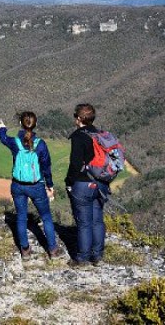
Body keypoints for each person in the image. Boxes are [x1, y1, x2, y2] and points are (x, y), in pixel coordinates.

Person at [0, 111, 64, 260]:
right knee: (46, 217)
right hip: (36, 186)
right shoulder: (40, 145)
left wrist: (2, 127)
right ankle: (52, 250)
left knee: (21, 217)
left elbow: (3, 138)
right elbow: (46, 167)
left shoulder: (15, 142)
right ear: (35, 124)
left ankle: (25, 251)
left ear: (21, 124)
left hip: (18, 185)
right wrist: (50, 185)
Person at [65, 103, 110, 267]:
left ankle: (82, 258)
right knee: (97, 220)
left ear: (78, 118)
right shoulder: (100, 134)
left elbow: (75, 164)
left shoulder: (78, 137)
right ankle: (97, 255)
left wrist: (69, 182)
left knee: (84, 223)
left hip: (83, 184)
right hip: (101, 183)